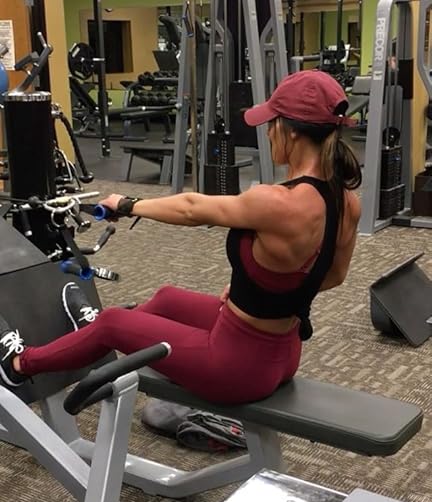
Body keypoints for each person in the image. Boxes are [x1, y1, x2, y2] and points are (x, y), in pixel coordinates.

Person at [0, 70, 361, 405]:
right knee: (167, 298)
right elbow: (333, 275)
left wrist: (127, 204)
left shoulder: (276, 201)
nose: (267, 133)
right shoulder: (346, 201)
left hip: (238, 368)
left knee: (113, 323)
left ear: (292, 131)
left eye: (272, 123)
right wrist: (264, 291)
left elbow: (191, 208)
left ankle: (19, 366)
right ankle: (90, 338)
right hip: (283, 352)